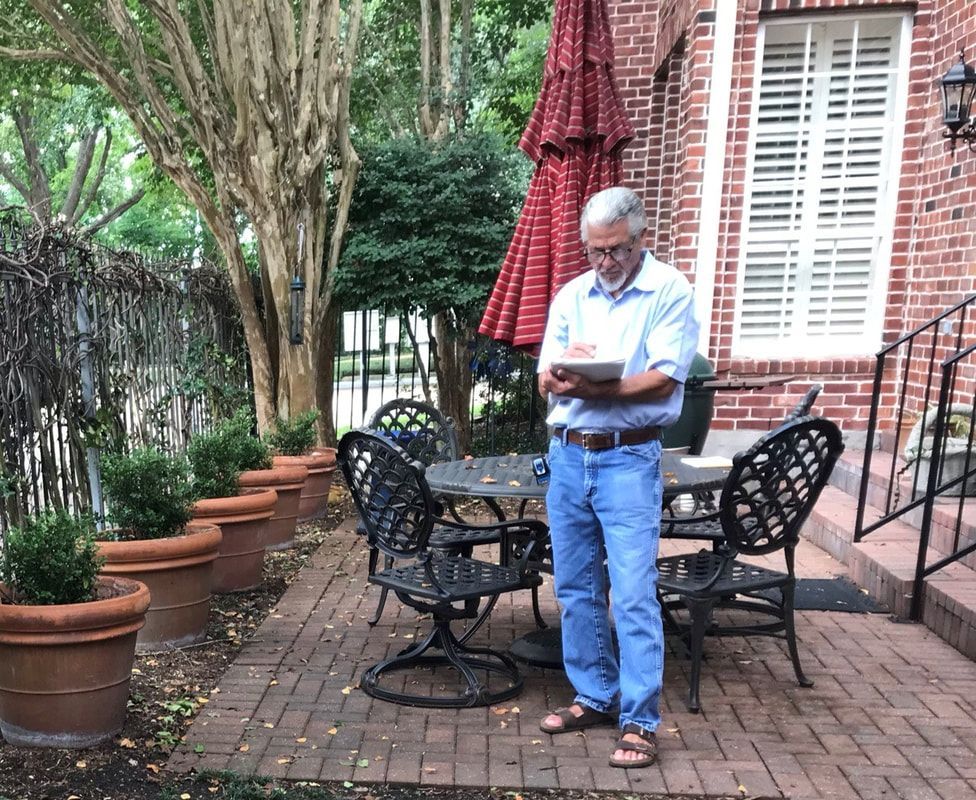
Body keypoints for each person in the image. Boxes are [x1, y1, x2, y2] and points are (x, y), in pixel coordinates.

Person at [536, 186, 699, 768]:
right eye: (594, 251)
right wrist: (560, 375)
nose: (605, 263)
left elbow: (662, 379)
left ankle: (639, 719)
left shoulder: (669, 290)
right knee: (576, 587)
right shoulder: (572, 294)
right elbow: (544, 379)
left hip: (629, 457)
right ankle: (594, 695)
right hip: (567, 455)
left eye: (615, 251)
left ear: (640, 238)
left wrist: (598, 389)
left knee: (631, 592)